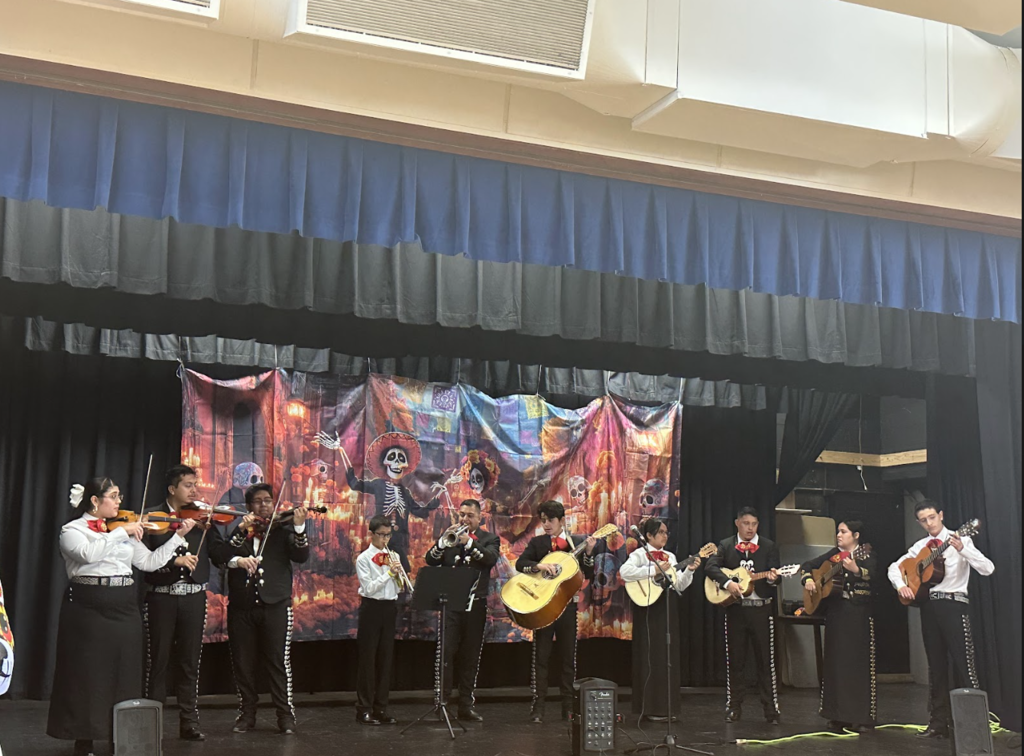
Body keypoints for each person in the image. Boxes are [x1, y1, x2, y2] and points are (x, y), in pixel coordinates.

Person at [47, 477, 196, 756]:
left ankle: (121, 736)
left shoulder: (124, 530)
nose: (119, 502)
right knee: (88, 674)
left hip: (124, 606)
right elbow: (88, 554)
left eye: (119, 496)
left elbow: (148, 562)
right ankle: (85, 739)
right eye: (113, 496)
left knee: (125, 672)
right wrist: (120, 532)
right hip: (88, 608)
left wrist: (177, 537)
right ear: (95, 501)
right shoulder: (72, 530)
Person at [887, 499, 994, 739]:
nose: (929, 523)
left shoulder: (961, 539)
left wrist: (962, 549)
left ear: (941, 515)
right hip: (929, 605)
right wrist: (901, 585)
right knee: (936, 666)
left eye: (932, 517)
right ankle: (938, 722)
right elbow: (894, 567)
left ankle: (975, 726)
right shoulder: (921, 546)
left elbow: (988, 568)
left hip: (954, 604)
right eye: (923, 520)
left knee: (965, 664)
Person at [211, 483, 309, 735]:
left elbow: (301, 556)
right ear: (249, 506)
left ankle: (285, 716)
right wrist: (239, 542)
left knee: (277, 662)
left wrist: (299, 527)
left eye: (268, 500)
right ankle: (247, 714)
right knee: (243, 663)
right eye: (258, 501)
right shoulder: (240, 530)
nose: (264, 505)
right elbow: (221, 556)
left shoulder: (283, 529)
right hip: (242, 607)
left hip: (275, 605)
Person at [142, 464, 225, 741]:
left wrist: (226, 533)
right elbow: (144, 560)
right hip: (161, 598)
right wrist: (173, 561)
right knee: (159, 661)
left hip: (193, 597)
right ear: (172, 489)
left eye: (195, 484)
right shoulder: (153, 516)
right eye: (188, 485)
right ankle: (152, 724)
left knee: (190, 661)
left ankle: (189, 722)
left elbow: (218, 552)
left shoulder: (202, 517)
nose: (194, 490)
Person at [515, 500, 597, 723]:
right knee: (541, 656)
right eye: (543, 521)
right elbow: (520, 564)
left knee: (567, 657)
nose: (546, 525)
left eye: (550, 520)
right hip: (543, 607)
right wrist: (539, 566)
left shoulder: (576, 542)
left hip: (567, 608)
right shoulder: (538, 542)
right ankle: (538, 707)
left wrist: (588, 552)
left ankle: (568, 707)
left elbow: (587, 572)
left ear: (562, 520)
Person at [423, 499, 500, 722]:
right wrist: (441, 544)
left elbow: (490, 559)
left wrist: (469, 544)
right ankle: (442, 704)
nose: (464, 519)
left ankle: (465, 706)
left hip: (475, 605)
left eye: (469, 515)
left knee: (470, 656)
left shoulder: (489, 539)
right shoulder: (450, 536)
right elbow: (430, 560)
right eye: (462, 514)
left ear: (479, 517)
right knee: (446, 654)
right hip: (452, 606)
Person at [705, 506, 781, 723]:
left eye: (754, 524)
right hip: (736, 610)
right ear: (737, 523)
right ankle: (734, 707)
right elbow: (711, 567)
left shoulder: (768, 546)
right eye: (746, 523)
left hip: (761, 610)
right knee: (735, 661)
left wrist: (774, 578)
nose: (750, 528)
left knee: (766, 662)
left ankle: (771, 710)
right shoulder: (726, 545)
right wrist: (728, 583)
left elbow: (776, 576)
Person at [618, 517, 700, 721]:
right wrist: (652, 569)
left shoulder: (670, 557)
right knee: (649, 656)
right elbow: (624, 572)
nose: (665, 535)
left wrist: (689, 570)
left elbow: (678, 585)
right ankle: (649, 707)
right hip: (647, 609)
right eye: (661, 532)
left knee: (667, 657)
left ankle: (667, 708)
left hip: (666, 607)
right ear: (649, 536)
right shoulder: (639, 554)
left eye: (666, 533)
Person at [800, 521, 878, 733]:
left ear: (856, 535)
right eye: (838, 531)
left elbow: (875, 576)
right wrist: (808, 579)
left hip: (857, 612)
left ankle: (862, 717)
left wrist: (856, 570)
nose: (839, 535)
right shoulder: (834, 555)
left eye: (843, 532)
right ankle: (837, 715)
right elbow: (807, 566)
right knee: (835, 663)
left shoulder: (865, 554)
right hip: (836, 613)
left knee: (858, 663)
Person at [354, 516, 403, 726]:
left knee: (385, 659)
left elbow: (399, 587)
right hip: (371, 608)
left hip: (389, 608)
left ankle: (381, 708)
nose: (385, 539)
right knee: (368, 659)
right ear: (372, 534)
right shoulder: (363, 559)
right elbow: (369, 588)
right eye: (381, 535)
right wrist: (389, 574)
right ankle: (363, 709)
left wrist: (399, 575)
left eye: (388, 535)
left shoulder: (393, 555)